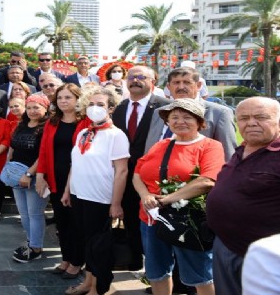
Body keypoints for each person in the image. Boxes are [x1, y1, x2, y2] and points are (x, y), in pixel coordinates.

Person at [133, 98, 224, 295]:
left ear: (200, 122)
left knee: (200, 272)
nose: (180, 121)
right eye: (174, 117)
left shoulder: (210, 146)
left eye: (187, 117)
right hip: (151, 218)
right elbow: (138, 173)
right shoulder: (161, 145)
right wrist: (145, 194)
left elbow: (208, 180)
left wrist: (166, 199)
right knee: (157, 271)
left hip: (188, 220)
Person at [207, 97, 280, 295]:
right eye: (244, 118)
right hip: (225, 244)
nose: (251, 123)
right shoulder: (241, 149)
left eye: (261, 117)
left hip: (263, 256)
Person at [62, 87, 129, 295]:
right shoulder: (84, 132)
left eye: (100, 104)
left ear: (110, 108)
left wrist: (116, 203)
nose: (94, 108)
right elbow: (75, 163)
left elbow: (121, 171)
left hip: (100, 199)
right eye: (91, 104)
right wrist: (67, 190)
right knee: (86, 243)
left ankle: (98, 288)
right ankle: (87, 282)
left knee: (99, 247)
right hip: (79, 195)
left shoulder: (116, 135)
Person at [112, 65, 171, 271]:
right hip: (125, 174)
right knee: (130, 217)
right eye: (131, 77)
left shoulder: (165, 107)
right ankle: (135, 259)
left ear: (152, 82)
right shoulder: (120, 108)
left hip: (154, 177)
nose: (135, 80)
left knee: (156, 221)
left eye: (141, 77)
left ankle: (160, 268)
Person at [37, 83, 89, 278]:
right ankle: (66, 258)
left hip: (79, 180)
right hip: (55, 178)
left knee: (77, 223)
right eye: (60, 98)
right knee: (62, 222)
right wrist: (41, 175)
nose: (63, 101)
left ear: (77, 99)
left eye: (68, 97)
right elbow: (43, 150)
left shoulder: (86, 122)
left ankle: (77, 261)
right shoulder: (52, 122)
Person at [146, 67, 236, 160]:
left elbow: (228, 154)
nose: (181, 87)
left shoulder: (219, 113)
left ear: (198, 85)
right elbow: (150, 146)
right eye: (176, 83)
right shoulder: (159, 112)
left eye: (187, 82)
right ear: (169, 87)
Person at [9, 94, 50, 263]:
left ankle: (36, 247)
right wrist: (8, 168)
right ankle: (31, 241)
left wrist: (29, 174)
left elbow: (44, 154)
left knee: (35, 214)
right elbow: (12, 147)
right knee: (24, 214)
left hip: (34, 176)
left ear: (45, 109)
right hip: (16, 175)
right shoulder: (22, 124)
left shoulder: (47, 126)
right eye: (30, 107)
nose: (32, 111)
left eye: (37, 107)